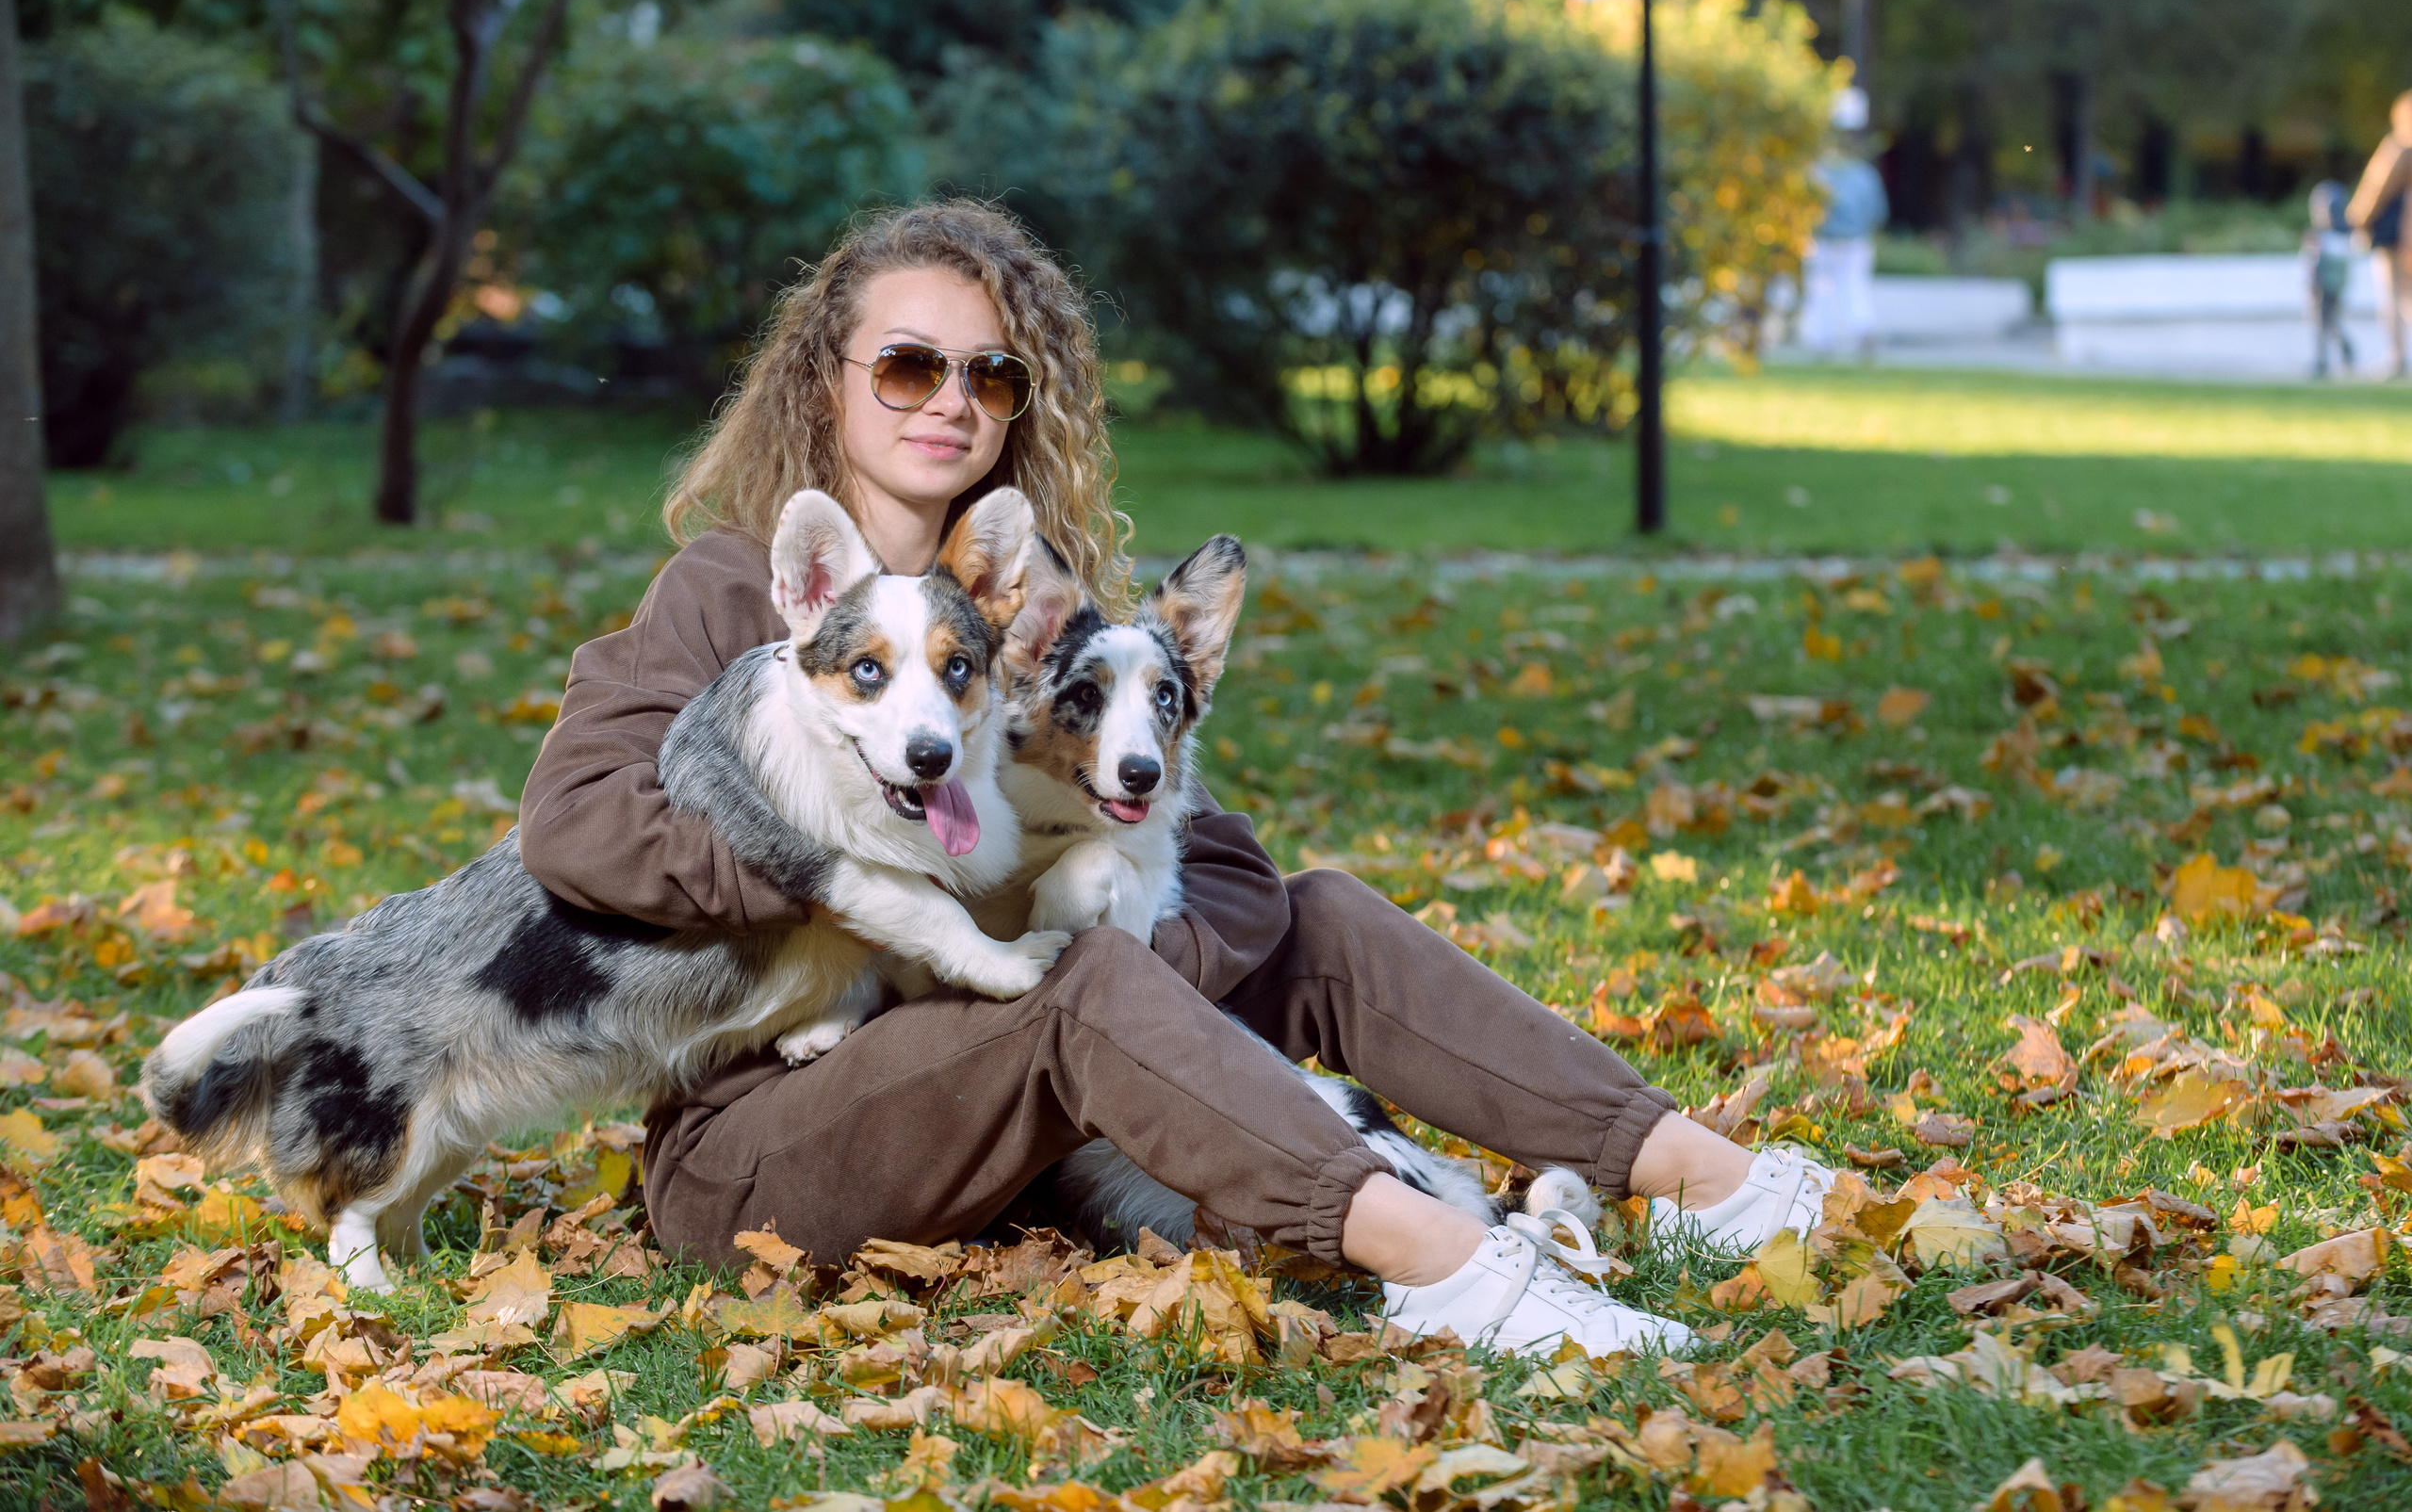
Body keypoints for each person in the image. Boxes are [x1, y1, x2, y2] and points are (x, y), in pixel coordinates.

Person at [516, 200, 1838, 1357]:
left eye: (992, 374)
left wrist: (1133, 953)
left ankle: (1705, 1181)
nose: (951, 401)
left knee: (1309, 916)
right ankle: (1449, 1270)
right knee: (1070, 980)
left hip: (987, 1091)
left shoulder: (1043, 620)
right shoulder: (740, 592)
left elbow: (1230, 871)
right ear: (826, 385)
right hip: (766, 1146)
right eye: (909, 365)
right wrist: (856, 882)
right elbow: (573, 825)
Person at [1799, 85, 1888, 358]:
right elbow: (1877, 212)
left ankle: (1820, 341)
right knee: (1855, 288)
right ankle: (1863, 329)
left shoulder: (1816, 172)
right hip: (1854, 242)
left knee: (1820, 291)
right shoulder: (1864, 175)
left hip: (1823, 241)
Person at [2345, 89, 2412, 379]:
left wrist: (2358, 221)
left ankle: (2396, 359)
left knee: (2394, 295)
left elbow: (2376, 188)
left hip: (2396, 234)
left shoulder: (2398, 148)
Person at [2306, 179, 2357, 379]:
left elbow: (2339, 268)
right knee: (2324, 323)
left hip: (2331, 288)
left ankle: (2323, 361)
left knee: (2325, 323)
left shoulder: (2338, 239)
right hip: (2319, 288)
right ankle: (2328, 357)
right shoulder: (2318, 236)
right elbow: (2310, 264)